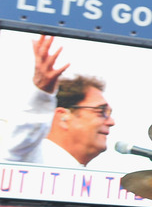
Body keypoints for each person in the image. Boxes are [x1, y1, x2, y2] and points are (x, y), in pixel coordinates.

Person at [1, 35, 115, 167]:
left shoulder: (88, 178)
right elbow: (21, 142)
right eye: (101, 111)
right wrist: (42, 94)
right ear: (63, 116)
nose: (111, 122)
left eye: (109, 113)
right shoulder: (30, 157)